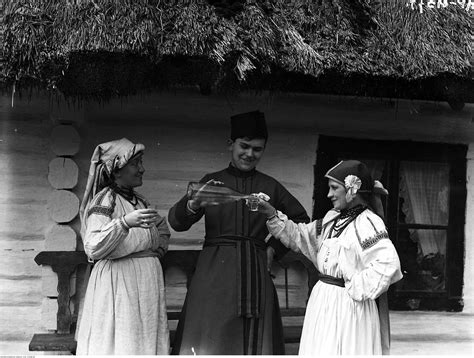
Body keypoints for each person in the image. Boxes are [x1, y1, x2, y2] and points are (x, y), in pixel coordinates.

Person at [168, 110, 310, 355]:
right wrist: (194, 204)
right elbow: (176, 222)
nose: (250, 154)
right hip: (214, 272)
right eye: (244, 146)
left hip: (255, 270)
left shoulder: (270, 186)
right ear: (230, 145)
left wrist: (273, 250)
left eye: (257, 149)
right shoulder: (212, 182)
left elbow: (301, 221)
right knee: (210, 333)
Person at [257, 160, 403, 355]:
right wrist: (271, 213)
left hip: (348, 307)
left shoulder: (368, 223)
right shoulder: (332, 219)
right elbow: (300, 237)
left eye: (334, 188)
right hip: (324, 301)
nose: (329, 194)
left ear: (352, 190)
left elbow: (387, 263)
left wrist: (354, 288)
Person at [76, 138, 170, 355]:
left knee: (144, 337)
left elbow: (162, 229)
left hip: (146, 282)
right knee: (122, 339)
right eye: (135, 164)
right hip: (118, 281)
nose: (142, 169)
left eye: (141, 163)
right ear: (116, 170)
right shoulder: (104, 201)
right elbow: (93, 247)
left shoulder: (141, 202)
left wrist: (157, 250)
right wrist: (124, 223)